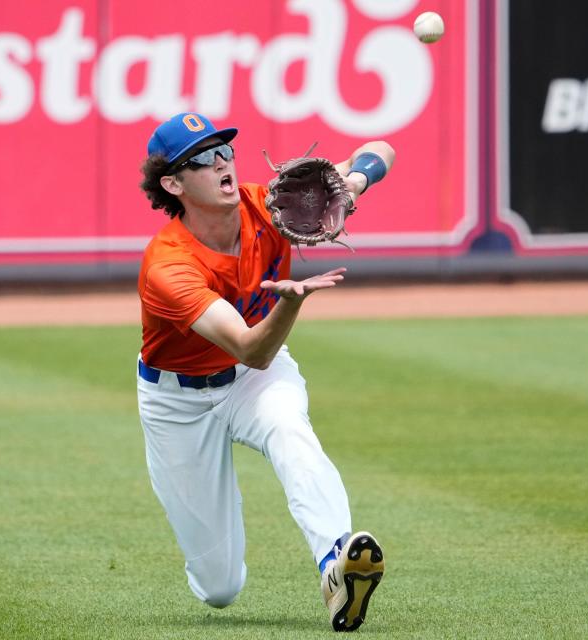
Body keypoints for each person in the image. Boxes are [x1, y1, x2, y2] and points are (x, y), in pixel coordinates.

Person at [136, 111, 395, 632]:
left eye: (226, 150)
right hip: (178, 402)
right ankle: (218, 574)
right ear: (173, 183)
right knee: (220, 588)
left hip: (255, 380)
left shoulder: (271, 204)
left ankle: (336, 564)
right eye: (204, 159)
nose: (224, 163)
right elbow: (250, 345)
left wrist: (356, 181)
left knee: (288, 430)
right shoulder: (168, 266)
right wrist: (292, 304)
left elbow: (383, 148)